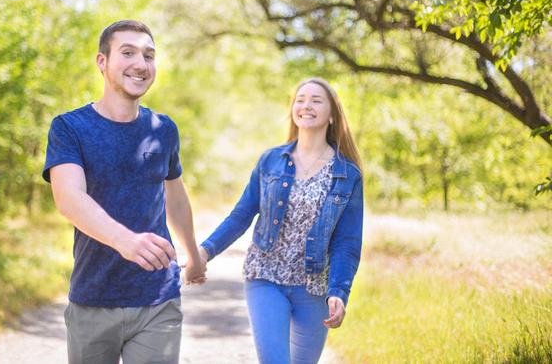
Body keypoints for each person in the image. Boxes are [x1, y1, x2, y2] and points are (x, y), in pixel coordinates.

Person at [42, 20, 206, 364]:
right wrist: (126, 241)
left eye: (149, 55)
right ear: (102, 61)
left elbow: (175, 196)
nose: (141, 64)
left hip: (157, 300)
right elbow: (69, 198)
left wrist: (193, 255)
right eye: (127, 52)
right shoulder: (70, 127)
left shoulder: (163, 129)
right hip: (92, 299)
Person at [198, 77, 364, 364]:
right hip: (266, 276)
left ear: (333, 114)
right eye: (300, 99)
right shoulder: (271, 161)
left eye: (316, 100)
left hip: (314, 286)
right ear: (293, 110)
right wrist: (204, 251)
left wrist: (339, 292)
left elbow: (346, 243)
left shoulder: (347, 174)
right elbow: (241, 215)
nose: (306, 105)